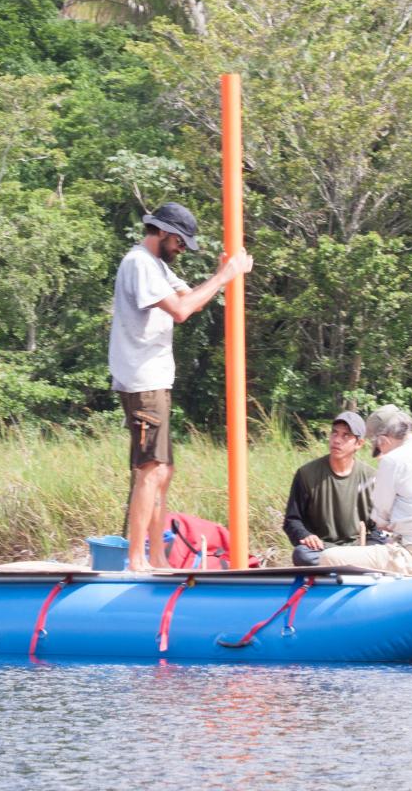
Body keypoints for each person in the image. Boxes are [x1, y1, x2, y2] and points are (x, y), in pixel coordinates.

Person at [109, 202, 252, 572]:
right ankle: (137, 559)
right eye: (180, 243)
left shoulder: (156, 266)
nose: (182, 250)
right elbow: (180, 310)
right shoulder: (139, 263)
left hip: (155, 380)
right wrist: (225, 276)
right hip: (142, 381)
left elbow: (194, 301)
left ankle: (156, 556)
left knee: (163, 471)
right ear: (164, 234)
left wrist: (224, 273)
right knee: (151, 469)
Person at [318, 405, 412, 576]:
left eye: (378, 447)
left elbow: (381, 520)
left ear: (383, 441)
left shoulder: (392, 460)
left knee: (329, 557)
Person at [283, 411, 385, 566]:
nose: (337, 440)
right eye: (334, 433)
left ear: (359, 443)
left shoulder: (371, 477)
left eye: (346, 436)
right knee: (302, 554)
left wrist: (369, 549)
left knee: (387, 547)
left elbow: (379, 527)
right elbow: (292, 520)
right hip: (323, 549)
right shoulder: (306, 474)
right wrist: (306, 535)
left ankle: (346, 566)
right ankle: (345, 567)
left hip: (357, 551)